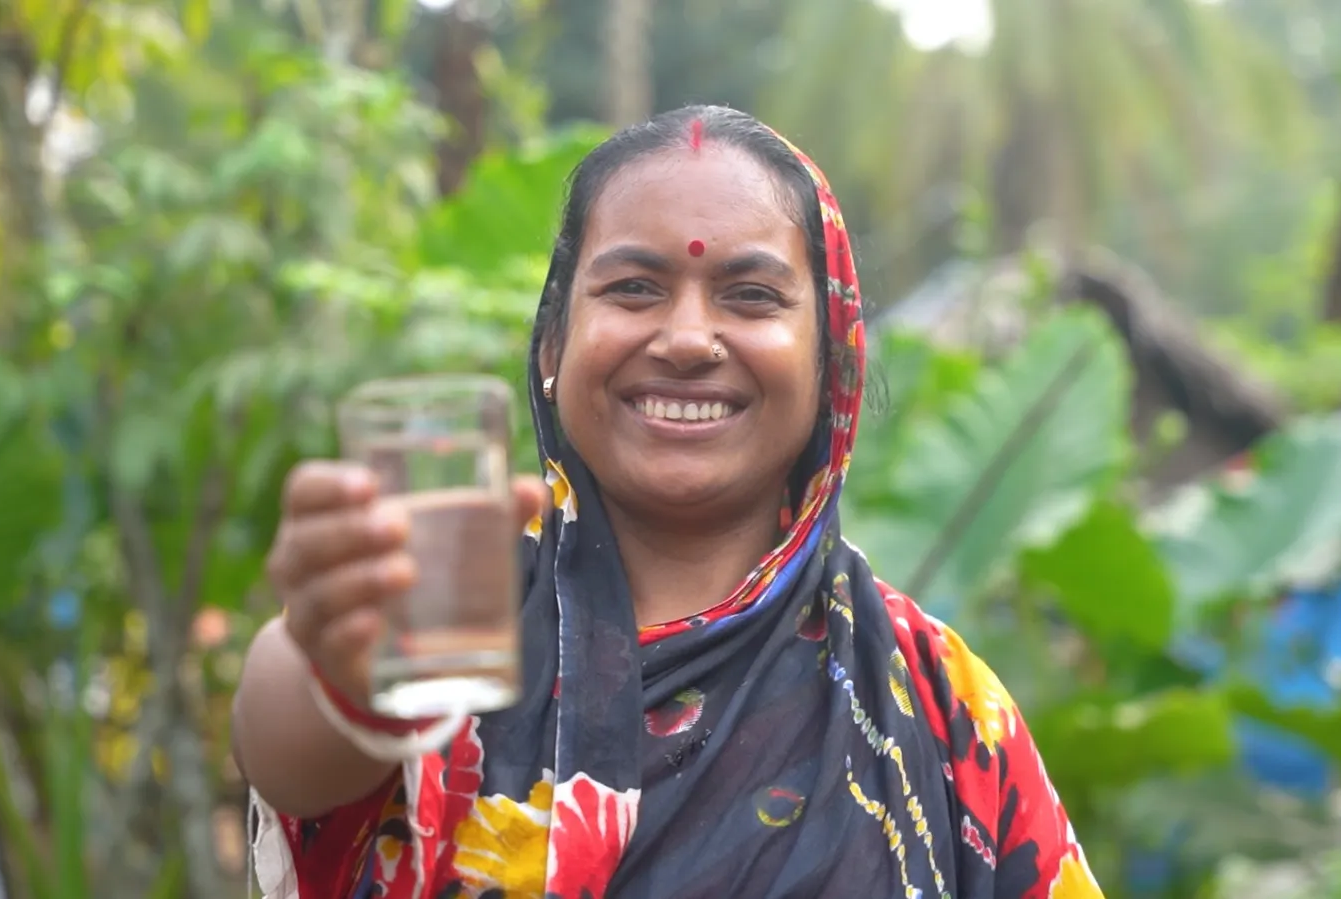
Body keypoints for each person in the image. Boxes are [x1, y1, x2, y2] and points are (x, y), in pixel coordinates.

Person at [232, 104, 1104, 899]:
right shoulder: (448, 616)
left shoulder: (942, 702)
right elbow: (290, 746)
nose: (687, 339)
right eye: (633, 288)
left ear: (831, 362)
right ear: (551, 344)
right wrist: (329, 657)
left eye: (752, 296)